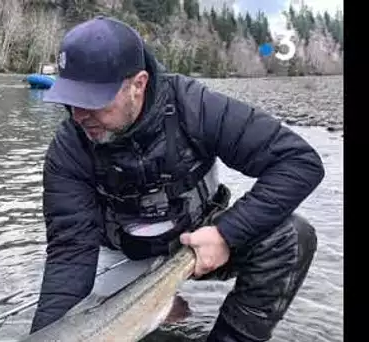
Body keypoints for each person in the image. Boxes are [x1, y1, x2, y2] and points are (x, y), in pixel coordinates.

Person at [29, 16, 325, 342]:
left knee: (292, 236)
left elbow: (299, 162)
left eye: (92, 100)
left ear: (138, 84)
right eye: (71, 100)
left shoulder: (194, 107)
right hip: (125, 255)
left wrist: (226, 233)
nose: (78, 115)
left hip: (200, 239)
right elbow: (70, 253)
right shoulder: (68, 148)